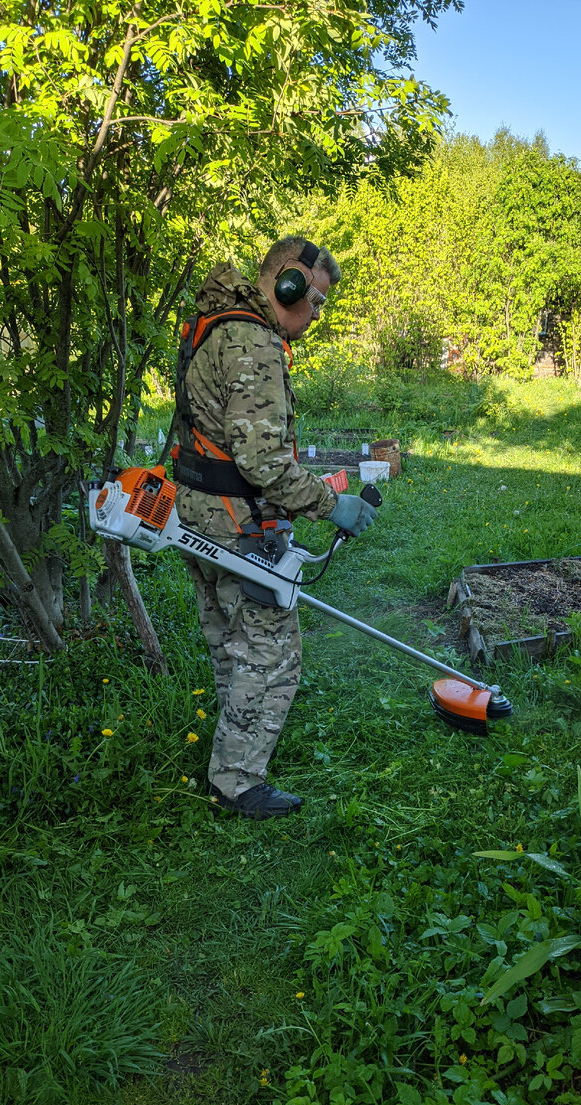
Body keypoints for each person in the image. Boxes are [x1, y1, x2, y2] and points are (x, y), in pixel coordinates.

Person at [173, 236, 377, 820]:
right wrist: (329, 505)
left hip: (198, 511)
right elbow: (262, 464)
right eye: (315, 302)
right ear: (288, 283)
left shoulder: (213, 322)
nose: (315, 316)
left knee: (230, 644)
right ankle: (237, 781)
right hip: (234, 523)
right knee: (273, 653)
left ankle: (229, 757)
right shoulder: (253, 341)